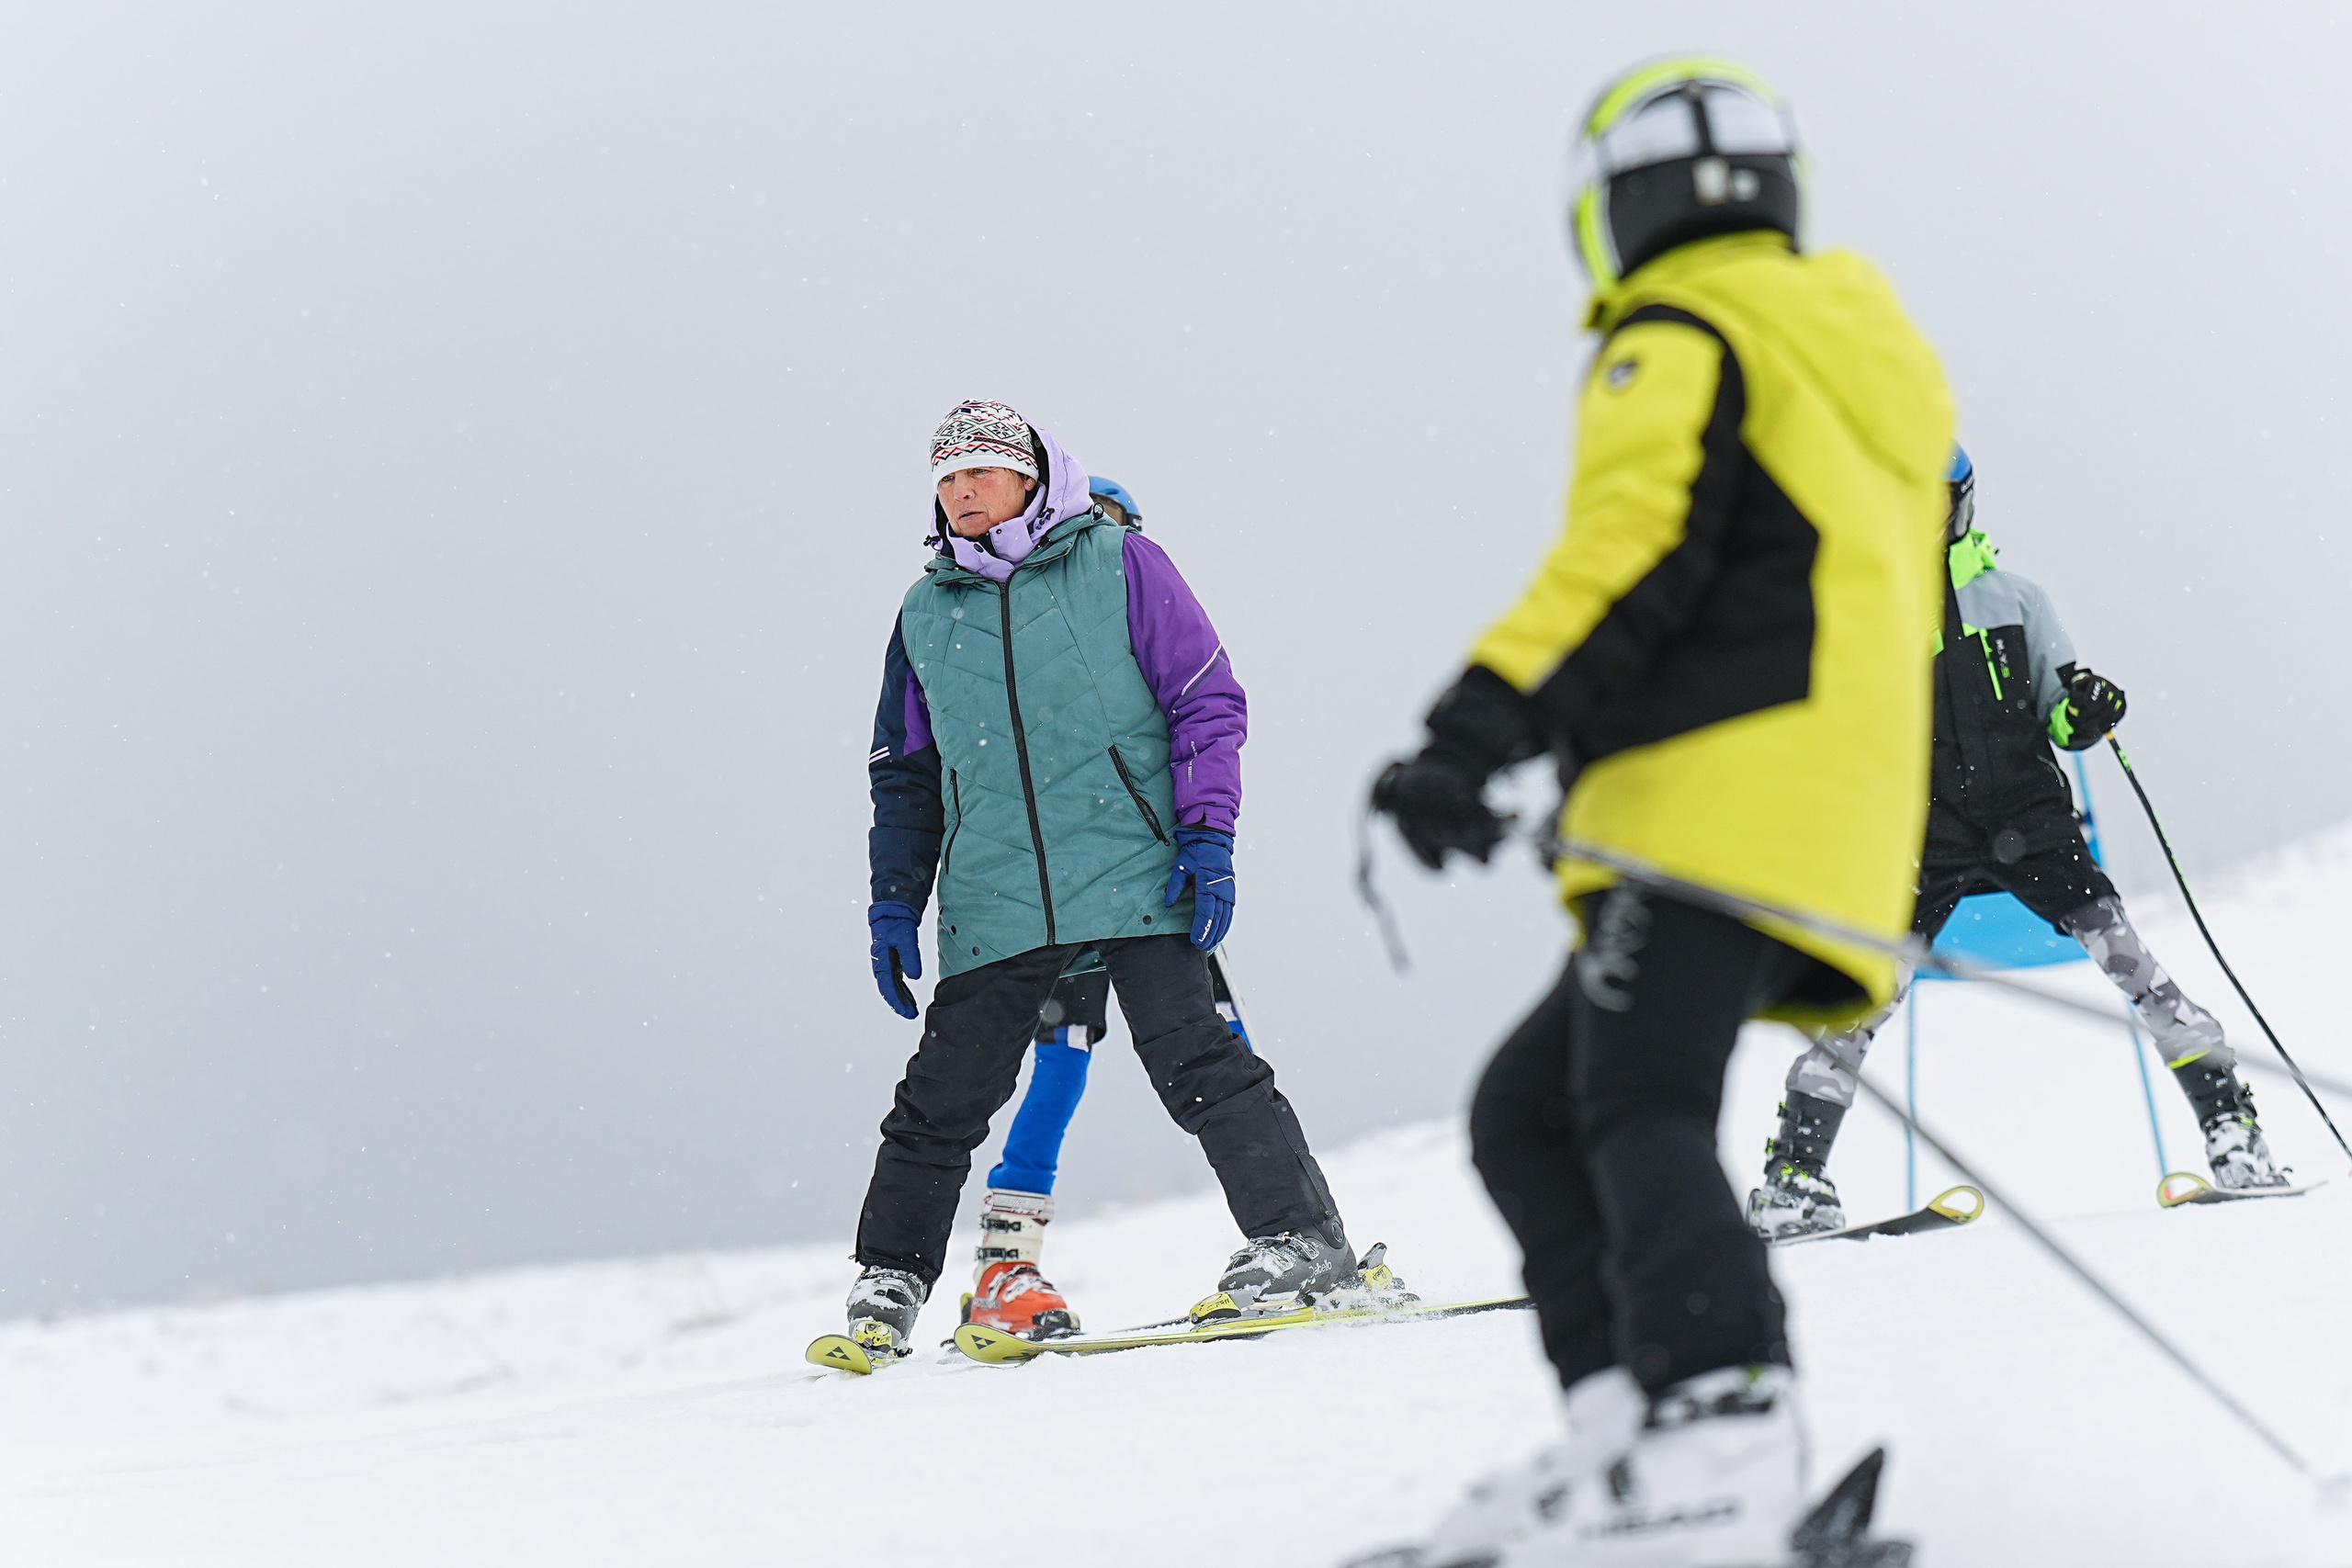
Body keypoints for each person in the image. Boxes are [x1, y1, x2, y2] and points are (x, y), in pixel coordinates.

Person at [1363, 59, 1952, 1565]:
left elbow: (1629, 551)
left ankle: (1724, 1420)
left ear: (1608, 211)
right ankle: (1630, 1422)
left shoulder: (1679, 336)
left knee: (1630, 1101)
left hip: (1717, 802)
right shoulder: (1852, 350)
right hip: (1830, 811)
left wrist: (1468, 733)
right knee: (1528, 1107)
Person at [848, 400, 1356, 1363]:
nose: (962, 491)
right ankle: (889, 1279)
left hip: (1133, 866)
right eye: (947, 477)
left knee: (1200, 1064)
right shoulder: (924, 611)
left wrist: (1208, 834)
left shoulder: (1119, 563)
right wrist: (893, 897)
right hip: (996, 895)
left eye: (982, 473)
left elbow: (1203, 698)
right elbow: (904, 772)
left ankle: (1301, 1244)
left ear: (1033, 478)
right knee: (943, 1094)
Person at [1749, 448, 2288, 1241]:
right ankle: (1794, 1178)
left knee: (2130, 963)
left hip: (2030, 819)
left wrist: (2090, 707)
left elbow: (2061, 716)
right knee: (1860, 997)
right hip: (1920, 834)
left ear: (1959, 504)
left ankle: (2234, 1134)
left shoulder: (2017, 600)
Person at [951, 475, 1263, 1338]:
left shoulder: (1128, 599)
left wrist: (1204, 838)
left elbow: (1197, 715)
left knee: (1211, 1049)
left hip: (1148, 880)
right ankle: (1003, 1268)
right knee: (1074, 1066)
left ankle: (1305, 1235)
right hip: (1077, 891)